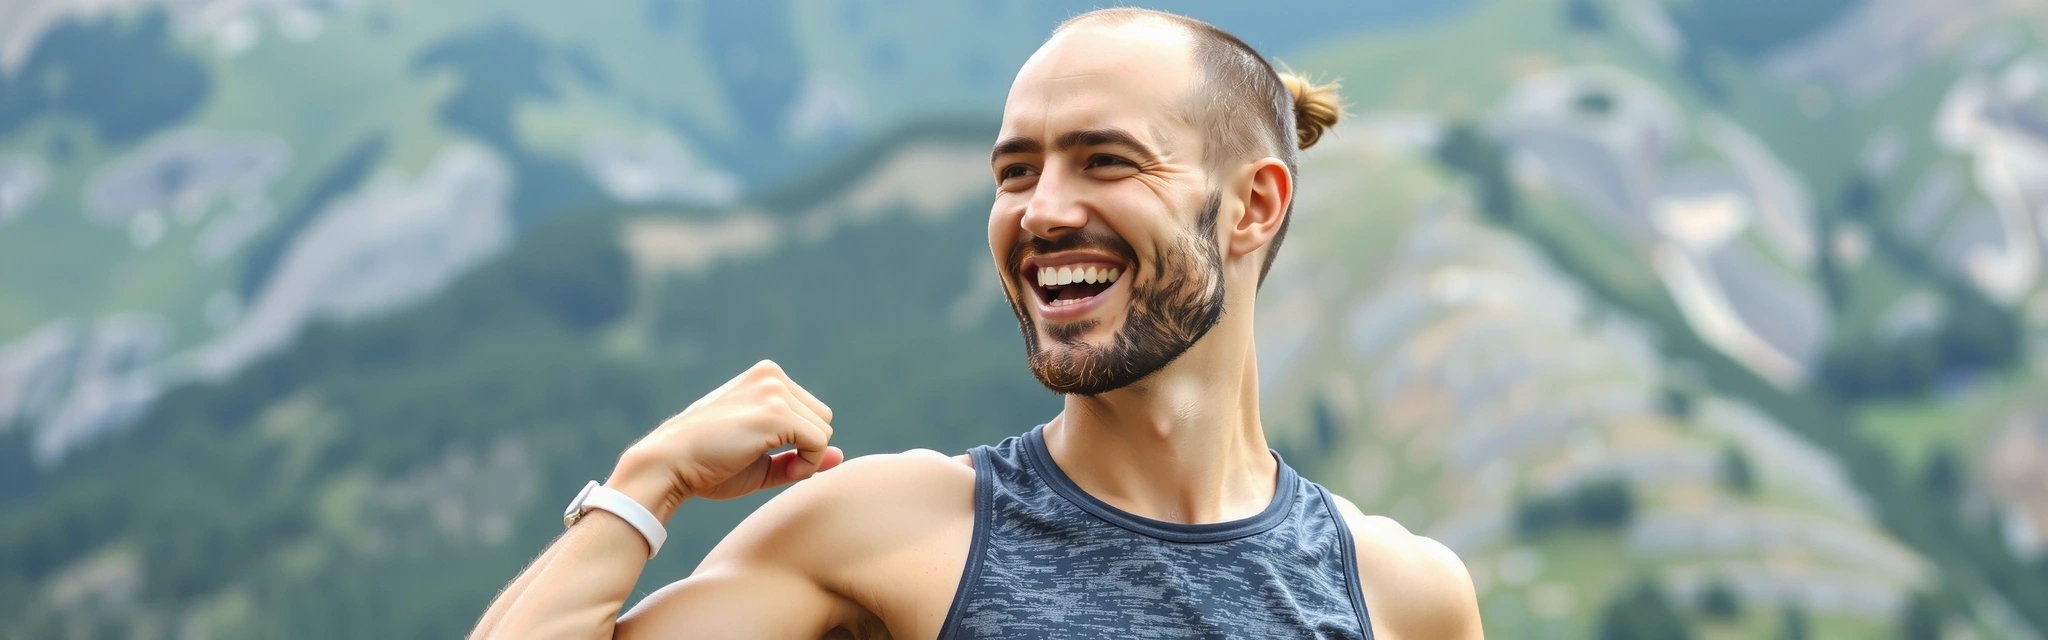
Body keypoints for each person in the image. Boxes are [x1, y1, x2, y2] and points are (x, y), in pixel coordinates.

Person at [470, 7, 1482, 639]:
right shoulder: (891, 529)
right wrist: (648, 484)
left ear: (1253, 206)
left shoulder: (1400, 595)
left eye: (1105, 159)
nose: (1039, 210)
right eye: (1014, 170)